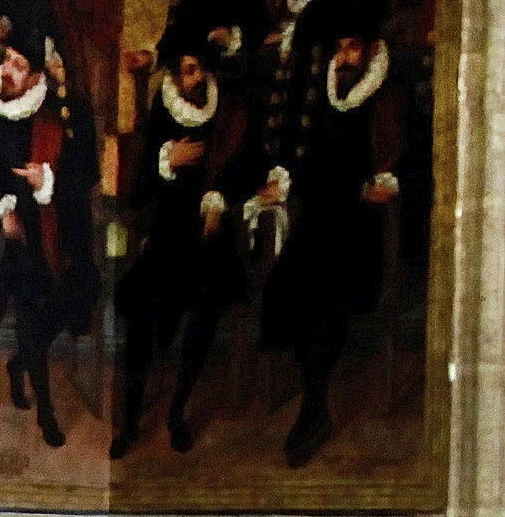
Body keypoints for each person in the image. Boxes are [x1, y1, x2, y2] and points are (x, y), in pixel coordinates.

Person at [251, 0, 400, 464]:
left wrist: (390, 182)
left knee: (328, 289)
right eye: (339, 49)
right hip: (321, 208)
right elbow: (307, 151)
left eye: (352, 49)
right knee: (293, 284)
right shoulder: (326, 86)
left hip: (366, 220)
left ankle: (313, 410)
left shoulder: (388, 92)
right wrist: (286, 180)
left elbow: (409, 156)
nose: (344, 58)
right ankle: (315, 406)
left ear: (372, 49)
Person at [112, 39, 252, 458]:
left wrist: (218, 200)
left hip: (210, 236)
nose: (190, 79)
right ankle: (131, 420)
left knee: (206, 307)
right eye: (183, 71)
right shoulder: (163, 106)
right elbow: (137, 191)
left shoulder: (229, 112)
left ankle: (177, 412)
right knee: (140, 309)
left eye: (196, 70)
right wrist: (165, 162)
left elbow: (244, 168)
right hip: (167, 232)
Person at [0, 25, 99, 448]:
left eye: (19, 65)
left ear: (38, 77)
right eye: (7, 61)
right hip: (7, 227)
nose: (7, 70)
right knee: (31, 291)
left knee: (81, 287)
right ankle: (46, 411)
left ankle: (20, 362)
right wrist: (4, 209)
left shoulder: (63, 110)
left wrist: (47, 180)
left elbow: (86, 174)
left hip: (56, 221)